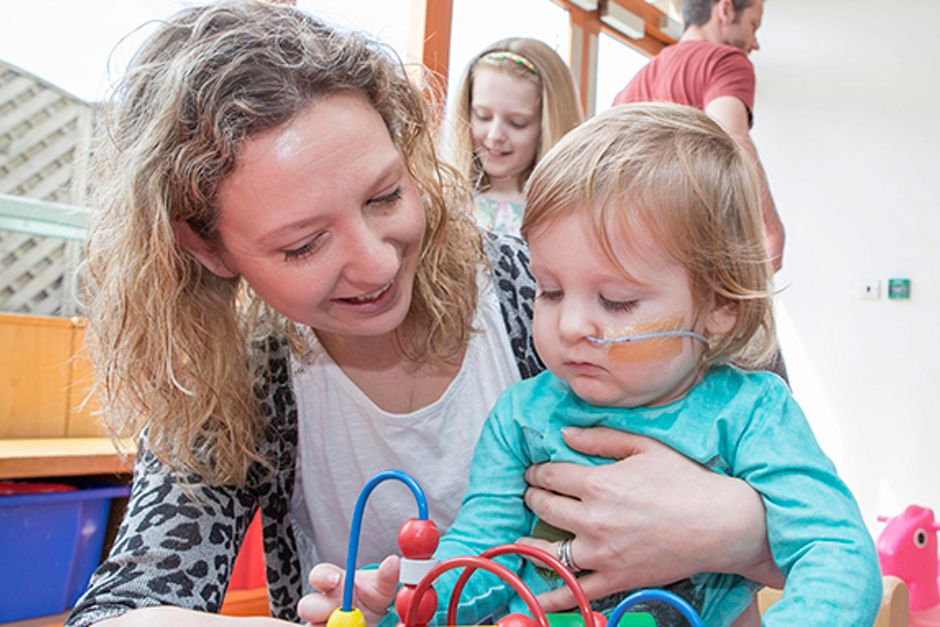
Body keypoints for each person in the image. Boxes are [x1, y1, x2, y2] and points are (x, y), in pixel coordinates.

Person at [65, 3, 784, 626]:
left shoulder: (542, 290)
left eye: (385, 196)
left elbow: (800, 511)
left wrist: (736, 530)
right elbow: (126, 602)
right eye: (304, 244)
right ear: (207, 247)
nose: (376, 262)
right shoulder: (233, 375)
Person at [301, 104, 881, 626]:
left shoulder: (754, 413)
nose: (571, 325)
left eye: (616, 301)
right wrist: (408, 597)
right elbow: (480, 549)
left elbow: (837, 554)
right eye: (550, 291)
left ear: (720, 306)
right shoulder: (522, 414)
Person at [613, 0, 785, 273]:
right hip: (690, 244)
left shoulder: (637, 80)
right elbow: (733, 140)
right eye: (753, 25)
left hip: (630, 247)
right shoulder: (725, 60)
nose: (755, 43)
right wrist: (771, 228)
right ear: (726, 9)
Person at [443, 37, 582, 236]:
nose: (495, 135)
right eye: (483, 116)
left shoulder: (569, 218)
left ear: (548, 127)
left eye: (518, 123)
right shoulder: (444, 202)